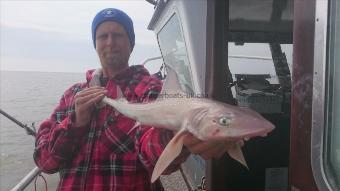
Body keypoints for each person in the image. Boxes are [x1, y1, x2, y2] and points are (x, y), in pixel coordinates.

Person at [34, 8, 228, 191]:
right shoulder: (73, 95)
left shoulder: (150, 89)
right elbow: (45, 162)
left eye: (118, 35)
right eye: (103, 36)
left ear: (131, 43)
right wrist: (75, 123)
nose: (110, 42)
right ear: (95, 44)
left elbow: (150, 153)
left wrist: (179, 138)